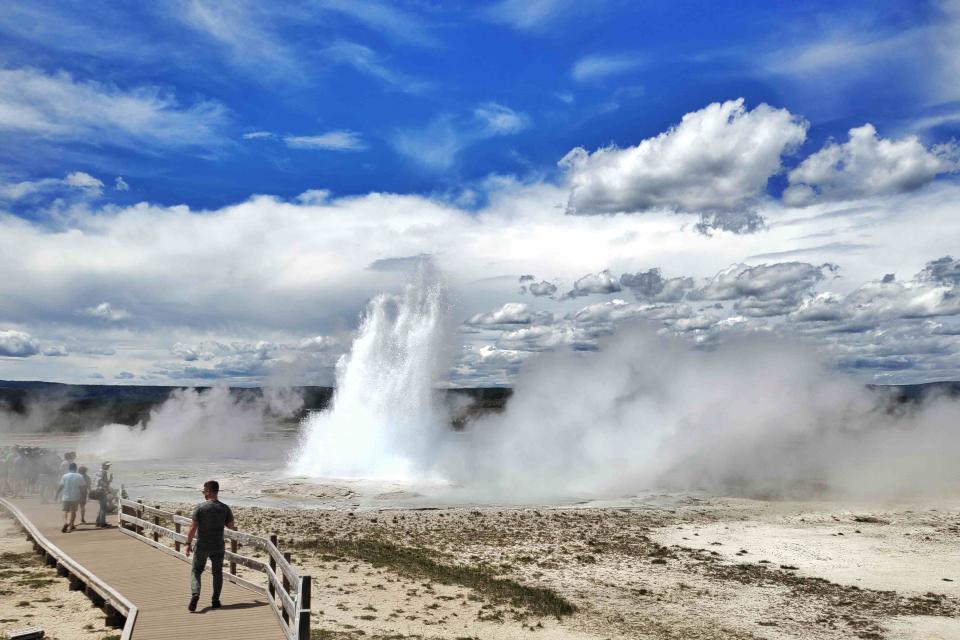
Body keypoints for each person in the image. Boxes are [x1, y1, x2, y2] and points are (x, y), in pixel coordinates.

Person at [185, 480, 235, 612]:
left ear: (208, 491)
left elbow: (192, 527)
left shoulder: (200, 508)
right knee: (217, 573)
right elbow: (231, 526)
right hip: (218, 546)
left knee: (196, 571)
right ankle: (215, 601)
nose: (203, 494)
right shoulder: (225, 508)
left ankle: (195, 594)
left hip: (202, 545)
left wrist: (188, 544)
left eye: (204, 491)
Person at [55, 462, 84, 533]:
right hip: (75, 497)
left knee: (65, 511)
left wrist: (56, 494)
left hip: (66, 496)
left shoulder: (64, 476)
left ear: (69, 468)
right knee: (73, 512)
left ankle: (65, 522)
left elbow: (61, 486)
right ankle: (71, 526)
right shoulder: (79, 476)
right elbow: (82, 487)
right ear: (76, 468)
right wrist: (83, 497)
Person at [93, 462, 113, 528]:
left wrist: (109, 481)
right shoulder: (103, 472)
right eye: (107, 466)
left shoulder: (99, 471)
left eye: (109, 466)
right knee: (104, 508)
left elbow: (96, 481)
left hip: (98, 490)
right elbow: (101, 482)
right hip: (101, 491)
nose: (108, 467)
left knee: (102, 507)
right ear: (103, 465)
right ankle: (102, 523)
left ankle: (98, 522)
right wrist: (109, 483)